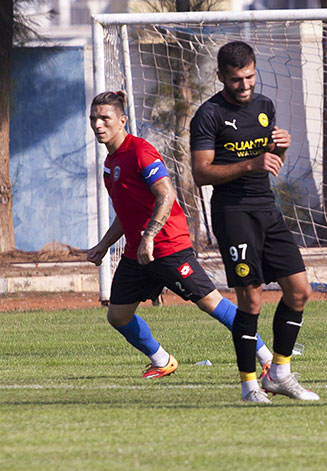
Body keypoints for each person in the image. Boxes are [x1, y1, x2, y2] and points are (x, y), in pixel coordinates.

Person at [86, 90, 275, 404]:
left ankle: (266, 358)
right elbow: (127, 211)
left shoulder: (141, 153)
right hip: (139, 251)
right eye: (94, 118)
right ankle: (162, 361)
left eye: (104, 118)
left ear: (122, 121)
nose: (98, 124)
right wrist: (104, 245)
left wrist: (149, 236)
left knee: (212, 304)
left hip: (168, 245)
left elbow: (166, 195)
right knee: (118, 316)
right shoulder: (110, 163)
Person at [189, 41, 318, 401]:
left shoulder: (264, 106)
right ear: (220, 77)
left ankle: (279, 373)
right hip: (233, 213)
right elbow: (200, 173)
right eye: (235, 80)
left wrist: (281, 146)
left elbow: (268, 159)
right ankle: (249, 385)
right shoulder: (208, 115)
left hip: (267, 208)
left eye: (249, 77)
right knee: (251, 300)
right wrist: (251, 163)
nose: (244, 86)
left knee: (300, 290)